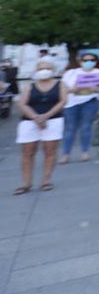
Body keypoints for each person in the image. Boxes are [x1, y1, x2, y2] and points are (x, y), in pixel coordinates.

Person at [13, 58, 67, 194]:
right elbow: (22, 104)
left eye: (47, 68)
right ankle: (26, 183)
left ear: (53, 70)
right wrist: (35, 117)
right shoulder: (29, 86)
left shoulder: (60, 85)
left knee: (50, 151)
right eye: (41, 68)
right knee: (27, 152)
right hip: (29, 121)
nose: (44, 71)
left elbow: (62, 102)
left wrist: (46, 116)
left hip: (53, 120)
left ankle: (46, 181)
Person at [59, 52, 99, 164]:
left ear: (96, 62)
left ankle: (85, 152)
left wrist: (96, 89)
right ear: (80, 62)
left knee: (86, 127)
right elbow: (63, 88)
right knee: (70, 128)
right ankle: (66, 154)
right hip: (71, 103)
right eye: (85, 60)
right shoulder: (71, 73)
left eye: (92, 60)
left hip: (90, 102)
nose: (89, 62)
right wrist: (72, 90)